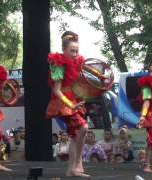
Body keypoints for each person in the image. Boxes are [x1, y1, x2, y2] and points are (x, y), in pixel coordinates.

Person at [46, 31, 89, 177]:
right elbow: (57, 90)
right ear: (64, 50)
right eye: (72, 51)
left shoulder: (77, 62)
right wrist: (70, 105)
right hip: (62, 102)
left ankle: (73, 167)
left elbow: (77, 84)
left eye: (77, 51)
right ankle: (76, 164)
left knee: (77, 133)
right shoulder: (59, 64)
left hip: (73, 101)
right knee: (82, 128)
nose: (75, 54)